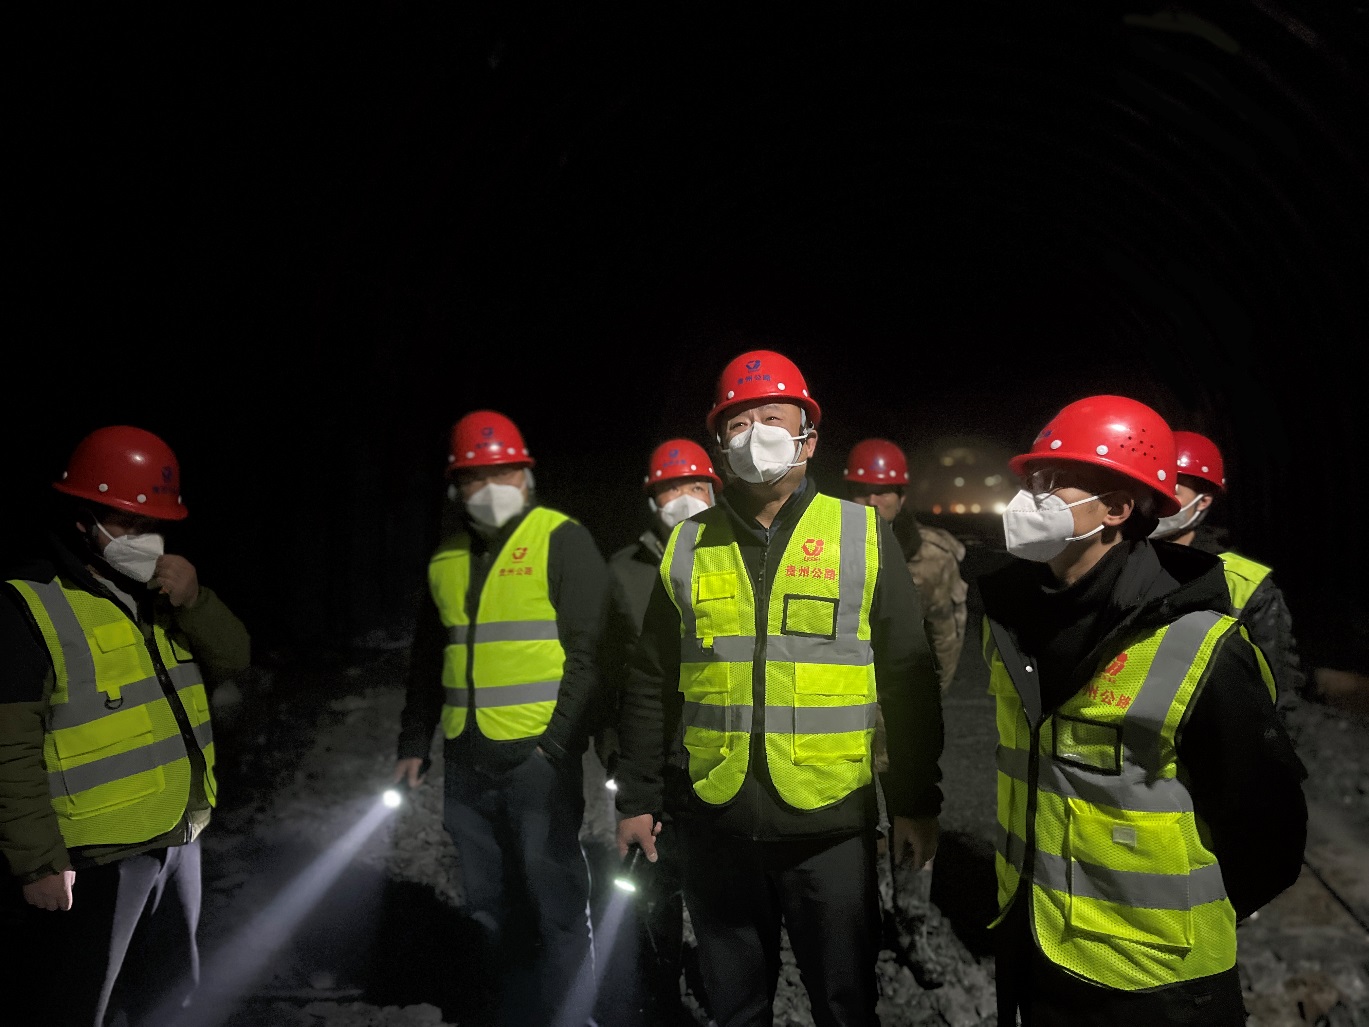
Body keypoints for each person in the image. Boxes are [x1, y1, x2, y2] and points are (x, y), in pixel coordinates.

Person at [613, 349, 945, 1027]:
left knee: (844, 1005)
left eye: (772, 418)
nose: (754, 435)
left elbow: (908, 675)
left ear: (808, 439)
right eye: (737, 423)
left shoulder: (861, 534)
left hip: (830, 826)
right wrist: (638, 796)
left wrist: (915, 800)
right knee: (736, 1007)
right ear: (719, 443)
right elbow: (651, 678)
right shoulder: (686, 544)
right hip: (717, 820)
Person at [978, 395, 1308, 1026]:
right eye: (1034, 478)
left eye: (1055, 481)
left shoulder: (1199, 643)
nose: (1031, 497)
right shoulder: (1012, 617)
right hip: (1038, 949)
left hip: (1158, 982)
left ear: (1117, 509)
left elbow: (1268, 829)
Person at [0, 424, 252, 1027]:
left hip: (178, 839)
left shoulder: (163, 593)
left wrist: (196, 599)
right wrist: (37, 862)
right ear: (83, 517)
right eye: (126, 521)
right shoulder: (31, 605)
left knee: (171, 998)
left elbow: (234, 658)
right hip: (97, 860)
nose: (143, 536)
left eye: (152, 522)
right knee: (80, 1007)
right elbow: (10, 749)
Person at [393, 409, 610, 1027]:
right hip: (466, 762)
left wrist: (554, 747)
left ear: (527, 476)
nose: (490, 488)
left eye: (504, 472)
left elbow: (591, 654)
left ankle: (571, 1014)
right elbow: (429, 659)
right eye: (475, 476)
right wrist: (414, 742)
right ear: (455, 487)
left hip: (537, 762)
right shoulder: (445, 559)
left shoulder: (562, 539)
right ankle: (508, 1010)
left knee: (556, 899)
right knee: (487, 902)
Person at [596, 437, 721, 1026]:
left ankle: (726, 985)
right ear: (652, 501)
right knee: (652, 884)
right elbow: (605, 668)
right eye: (672, 489)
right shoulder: (621, 572)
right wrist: (612, 749)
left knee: (722, 889)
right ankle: (661, 987)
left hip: (721, 755)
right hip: (648, 760)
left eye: (696, 486)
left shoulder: (743, 558)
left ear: (715, 491)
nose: (685, 498)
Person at [843, 437, 969, 988]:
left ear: (901, 495)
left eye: (884, 492)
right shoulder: (829, 547)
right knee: (860, 826)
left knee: (913, 819)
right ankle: (866, 923)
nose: (874, 503)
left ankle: (913, 924)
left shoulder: (932, 558)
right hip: (845, 714)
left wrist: (920, 708)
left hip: (904, 713)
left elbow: (946, 640)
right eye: (863, 492)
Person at [1149, 430, 1307, 720]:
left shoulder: (1244, 582)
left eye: (1173, 490)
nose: (1160, 502)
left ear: (1203, 501)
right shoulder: (1113, 558)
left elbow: (1276, 692)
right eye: (1154, 488)